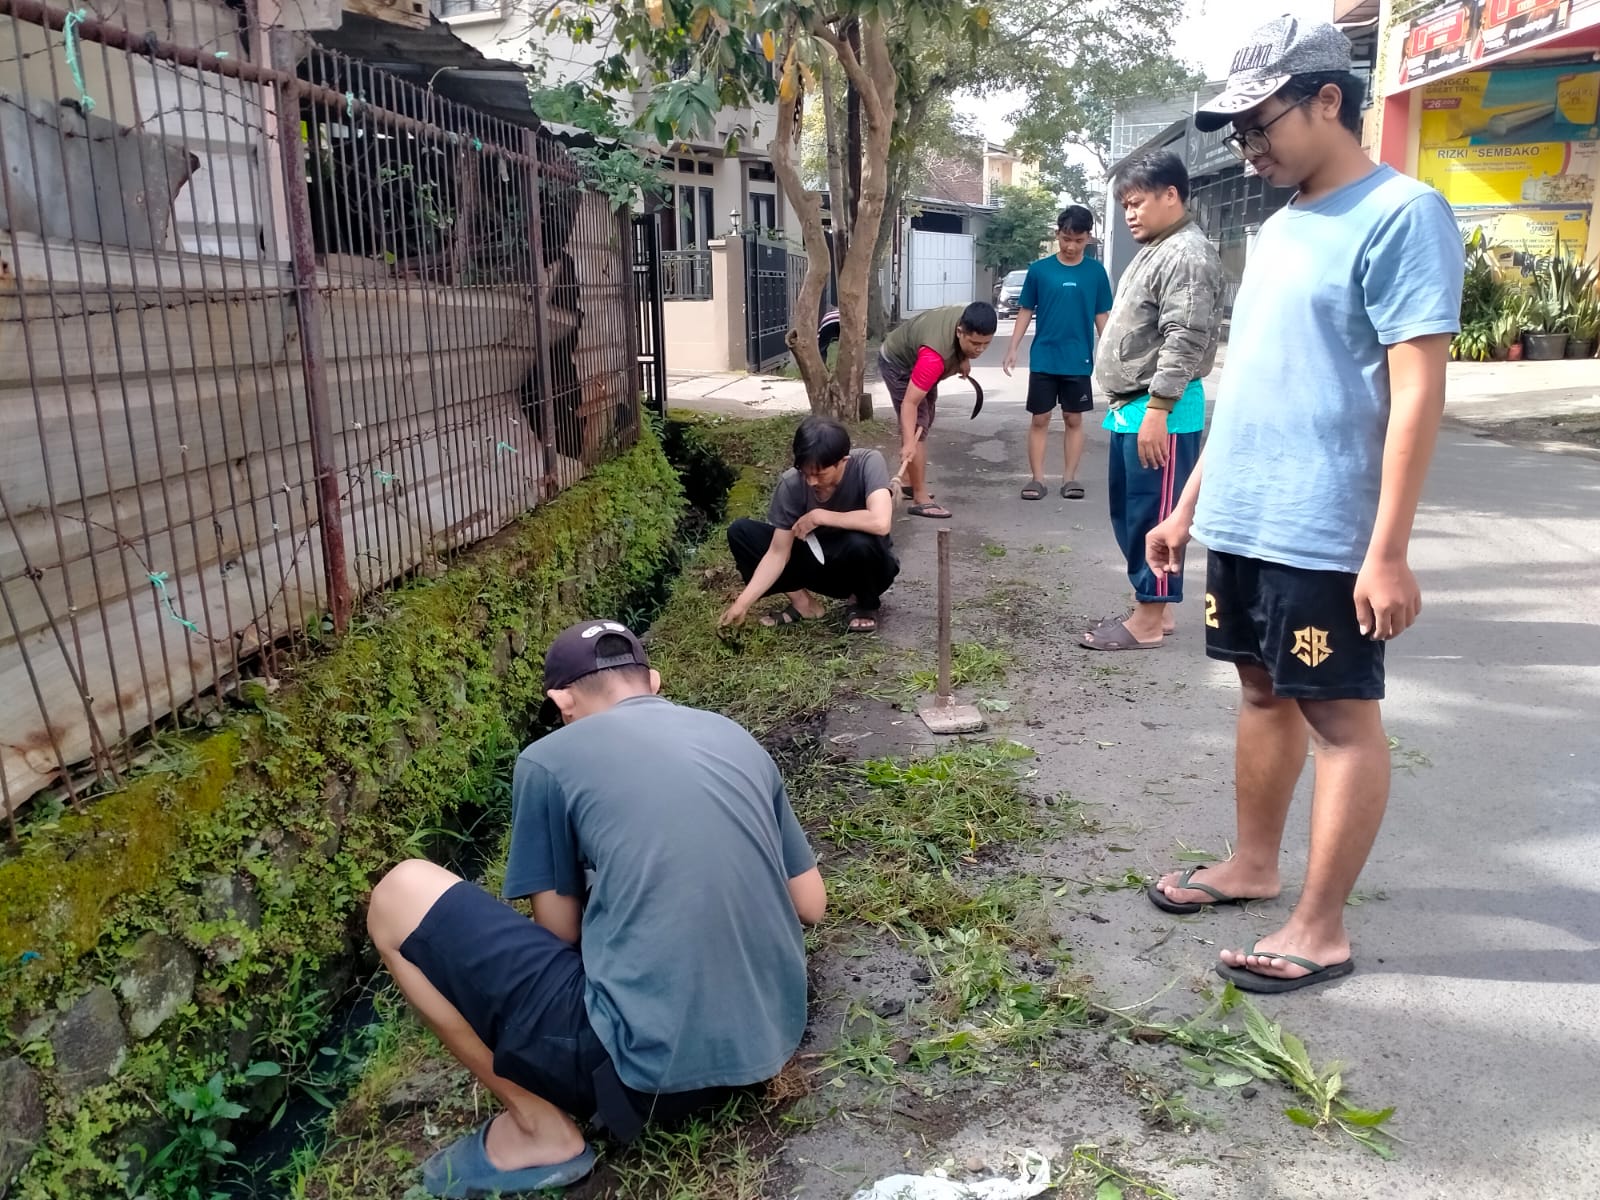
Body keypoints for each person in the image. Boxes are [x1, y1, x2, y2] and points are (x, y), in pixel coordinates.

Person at [1144, 15, 1461, 994]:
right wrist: (1189, 503)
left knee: (1339, 721)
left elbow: (1417, 390)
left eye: (1260, 123)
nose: (1250, 147)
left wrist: (1390, 549)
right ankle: (1252, 864)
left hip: (1326, 528)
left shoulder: (1404, 215)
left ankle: (1319, 926)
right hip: (1243, 515)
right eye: (1235, 134)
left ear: (1329, 99)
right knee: (1256, 689)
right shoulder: (1275, 229)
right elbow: (1247, 382)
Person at [366, 620, 826, 1196]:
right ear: (653, 682)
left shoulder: (548, 759)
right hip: (769, 1037)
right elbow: (811, 904)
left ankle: (540, 1132)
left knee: (400, 891)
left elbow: (559, 933)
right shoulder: (733, 735)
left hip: (644, 1074)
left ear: (562, 699)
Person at [1080, 151, 1223, 652]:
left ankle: (1150, 616)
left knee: (1153, 514)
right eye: (1125, 206)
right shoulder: (1160, 247)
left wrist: (1159, 410)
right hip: (1136, 407)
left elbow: (1184, 337)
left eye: (1138, 202)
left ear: (1172, 195)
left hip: (1160, 409)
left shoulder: (1186, 253)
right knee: (1131, 513)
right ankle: (1150, 608)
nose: (1130, 214)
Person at [720, 416, 899, 634]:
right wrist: (742, 602)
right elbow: (778, 553)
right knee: (742, 532)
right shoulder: (791, 483)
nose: (811, 482)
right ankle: (803, 604)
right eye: (805, 473)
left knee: (859, 542)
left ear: (843, 461)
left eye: (819, 474)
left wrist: (820, 516)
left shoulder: (868, 463)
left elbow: (880, 522)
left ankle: (863, 603)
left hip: (868, 567)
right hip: (818, 564)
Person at [1001, 205, 1114, 501]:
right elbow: (1026, 310)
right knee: (1040, 419)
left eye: (1078, 240)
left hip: (1078, 359)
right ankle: (1037, 479)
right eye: (1066, 238)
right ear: (1057, 235)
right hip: (1044, 358)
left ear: (1088, 238)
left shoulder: (1096, 273)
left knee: (1074, 419)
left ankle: (1069, 479)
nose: (1071, 246)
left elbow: (1102, 315)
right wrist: (1013, 347)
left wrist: (1112, 353)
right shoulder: (1040, 271)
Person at [879, 300, 998, 519]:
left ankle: (907, 482)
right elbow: (910, 404)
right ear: (960, 332)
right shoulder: (934, 358)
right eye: (974, 343)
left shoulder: (970, 315)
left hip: (918, 354)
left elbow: (962, 342)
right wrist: (908, 443)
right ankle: (920, 497)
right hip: (898, 363)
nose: (980, 349)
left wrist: (964, 357)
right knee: (917, 428)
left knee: (926, 419)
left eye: (986, 344)